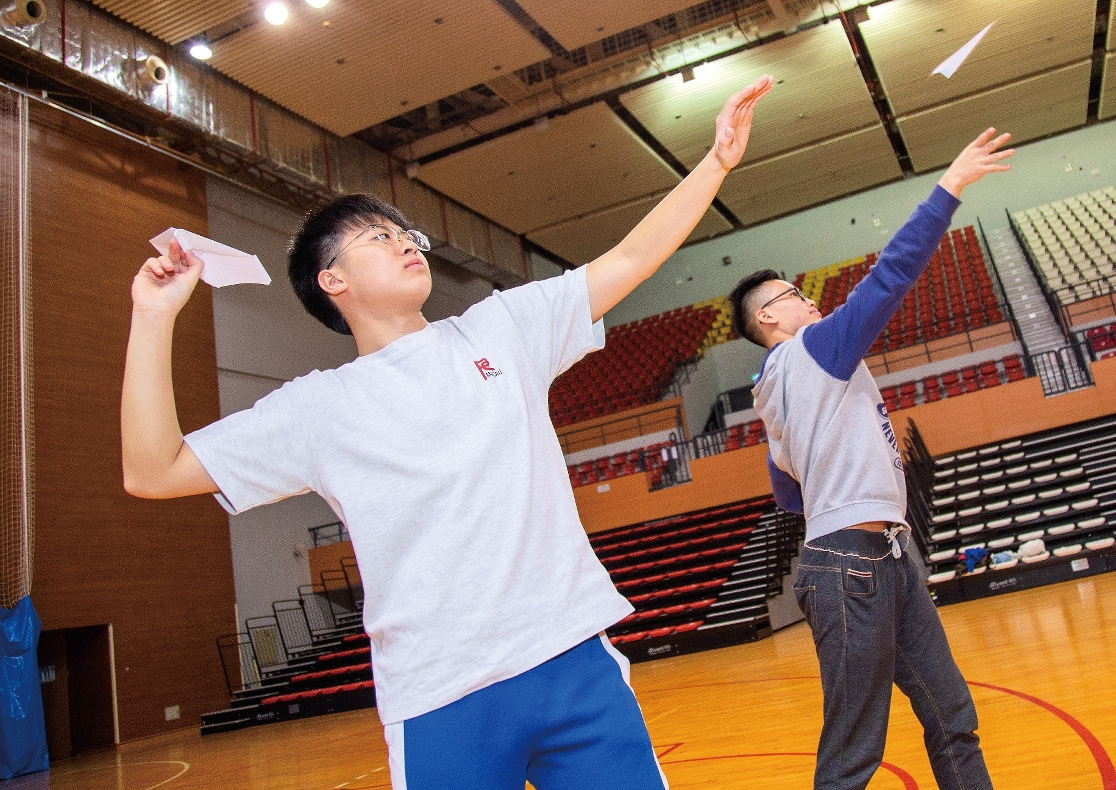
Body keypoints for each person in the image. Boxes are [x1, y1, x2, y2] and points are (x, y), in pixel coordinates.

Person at [121, 75, 773, 790]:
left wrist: (715, 163)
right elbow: (153, 471)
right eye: (379, 237)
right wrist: (153, 317)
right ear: (332, 280)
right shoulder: (315, 409)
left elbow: (626, 260)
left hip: (571, 661)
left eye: (407, 234)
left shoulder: (502, 329)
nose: (406, 243)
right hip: (440, 698)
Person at [727, 128, 1014, 790]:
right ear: (769, 319)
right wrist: (950, 186)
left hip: (880, 554)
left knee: (951, 714)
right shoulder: (813, 350)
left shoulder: (775, 393)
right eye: (793, 295)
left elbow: (788, 493)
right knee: (854, 754)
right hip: (850, 563)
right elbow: (890, 277)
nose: (809, 299)